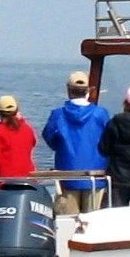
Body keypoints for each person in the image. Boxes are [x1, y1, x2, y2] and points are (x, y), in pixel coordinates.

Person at [42, 70, 110, 213]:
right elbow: (109, 141)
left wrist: (62, 148)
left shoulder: (58, 114)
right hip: (95, 176)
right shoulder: (101, 113)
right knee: (93, 225)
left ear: (68, 90)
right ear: (88, 91)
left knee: (67, 225)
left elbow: (49, 138)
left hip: (67, 174)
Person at [0, 95, 36, 188]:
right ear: (17, 111)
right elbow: (33, 143)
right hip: (27, 182)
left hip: (4, 185)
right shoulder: (27, 129)